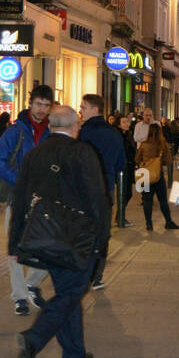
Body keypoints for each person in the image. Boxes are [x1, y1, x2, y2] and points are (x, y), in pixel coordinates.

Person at [11, 105, 109, 358]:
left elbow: (19, 197)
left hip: (43, 236)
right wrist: (102, 237)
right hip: (76, 237)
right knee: (71, 292)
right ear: (75, 127)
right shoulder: (81, 152)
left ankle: (74, 352)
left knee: (68, 290)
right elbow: (96, 197)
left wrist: (15, 240)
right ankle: (34, 338)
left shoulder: (34, 155)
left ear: (52, 126)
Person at [0, 84, 53, 315]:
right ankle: (19, 297)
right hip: (18, 198)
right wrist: (19, 181)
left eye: (46, 106)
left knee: (51, 245)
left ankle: (32, 283)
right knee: (15, 249)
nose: (42, 110)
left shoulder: (51, 132)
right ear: (30, 104)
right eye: (39, 104)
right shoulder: (15, 131)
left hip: (44, 199)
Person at [78, 95, 126, 289]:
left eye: (84, 107)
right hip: (106, 187)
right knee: (103, 230)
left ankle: (83, 270)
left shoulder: (82, 133)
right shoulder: (114, 134)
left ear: (95, 109)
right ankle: (97, 274)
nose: (81, 110)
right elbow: (121, 163)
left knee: (83, 229)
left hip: (83, 187)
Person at [136, 123, 179, 231]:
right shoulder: (162, 144)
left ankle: (149, 224)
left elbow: (137, 159)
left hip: (145, 175)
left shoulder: (143, 144)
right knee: (163, 200)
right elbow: (168, 161)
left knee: (147, 200)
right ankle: (168, 222)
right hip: (157, 174)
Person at [119, 115, 137, 221]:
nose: (127, 124)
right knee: (125, 192)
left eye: (127, 122)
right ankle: (120, 216)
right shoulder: (118, 136)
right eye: (124, 122)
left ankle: (120, 215)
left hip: (130, 166)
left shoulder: (128, 135)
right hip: (123, 167)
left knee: (129, 193)